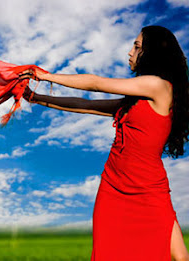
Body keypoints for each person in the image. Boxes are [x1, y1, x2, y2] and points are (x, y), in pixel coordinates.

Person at [19, 25, 189, 261]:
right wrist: (36, 98)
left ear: (152, 53)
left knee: (180, 256)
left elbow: (96, 83)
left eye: (137, 46)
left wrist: (46, 76)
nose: (130, 52)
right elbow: (85, 105)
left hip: (149, 190)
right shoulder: (133, 102)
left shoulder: (158, 86)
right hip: (112, 189)